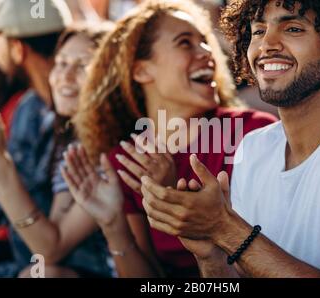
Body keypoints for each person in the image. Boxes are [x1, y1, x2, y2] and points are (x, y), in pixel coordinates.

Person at [135, 0, 320, 278]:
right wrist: (210, 253)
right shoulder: (254, 147)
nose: (266, 44)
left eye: (292, 28)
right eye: (257, 31)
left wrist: (225, 228)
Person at [62, 0, 276, 278]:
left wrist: (171, 197)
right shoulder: (128, 159)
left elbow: (253, 265)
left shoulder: (252, 132)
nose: (207, 53)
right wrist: (113, 226)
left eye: (205, 42)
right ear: (141, 71)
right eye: (185, 43)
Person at [0, 0, 72, 277]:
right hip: (30, 259)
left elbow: (48, 243)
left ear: (17, 49)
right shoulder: (30, 108)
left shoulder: (76, 115)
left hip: (56, 264)